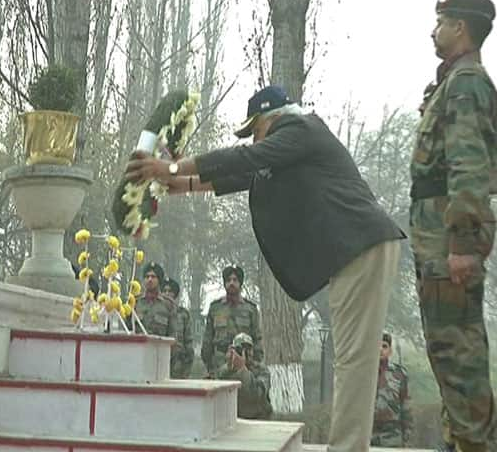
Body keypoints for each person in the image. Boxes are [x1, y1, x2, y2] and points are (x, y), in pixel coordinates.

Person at [126, 84, 404, 451]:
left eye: (254, 130)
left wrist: (171, 165)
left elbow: (244, 159)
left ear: (270, 118)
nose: (254, 140)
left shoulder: (301, 130)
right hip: (352, 251)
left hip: (362, 245)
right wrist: (174, 183)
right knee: (352, 358)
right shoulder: (284, 154)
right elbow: (234, 176)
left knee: (355, 360)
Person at [410, 0, 497, 452]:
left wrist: (463, 244)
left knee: (459, 360)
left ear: (461, 27)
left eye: (441, 22)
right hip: (439, 243)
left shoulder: (466, 84)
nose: (434, 30)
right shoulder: (452, 83)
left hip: (449, 246)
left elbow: (469, 166)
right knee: (447, 357)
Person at [201, 265, 263, 378]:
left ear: (240, 283)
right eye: (228, 280)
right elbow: (207, 340)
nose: (231, 283)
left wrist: (254, 367)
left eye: (235, 280)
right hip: (219, 366)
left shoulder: (251, 309)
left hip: (243, 367)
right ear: (224, 283)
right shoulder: (215, 308)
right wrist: (210, 368)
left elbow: (257, 341)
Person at [216, 332, 272, 420]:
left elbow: (257, 394)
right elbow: (218, 388)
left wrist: (242, 370)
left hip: (259, 418)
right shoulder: (227, 370)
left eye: (249, 349)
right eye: (241, 349)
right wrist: (230, 366)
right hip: (236, 419)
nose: (246, 352)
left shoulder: (262, 370)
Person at [371, 332, 413, 448]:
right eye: (377, 345)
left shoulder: (399, 374)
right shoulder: (363, 373)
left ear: (390, 351)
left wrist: (406, 437)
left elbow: (406, 406)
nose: (380, 349)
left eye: (384, 346)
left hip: (392, 436)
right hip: (367, 436)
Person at [133, 262, 177, 339]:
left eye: (153, 277)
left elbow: (172, 336)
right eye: (147, 277)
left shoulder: (168, 305)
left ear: (159, 280)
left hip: (159, 349)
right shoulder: (135, 302)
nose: (150, 279)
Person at [162, 277, 194, 379]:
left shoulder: (183, 314)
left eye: (170, 291)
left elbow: (188, 343)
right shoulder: (157, 313)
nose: (166, 294)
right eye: (164, 291)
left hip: (178, 368)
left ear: (175, 294)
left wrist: (186, 371)